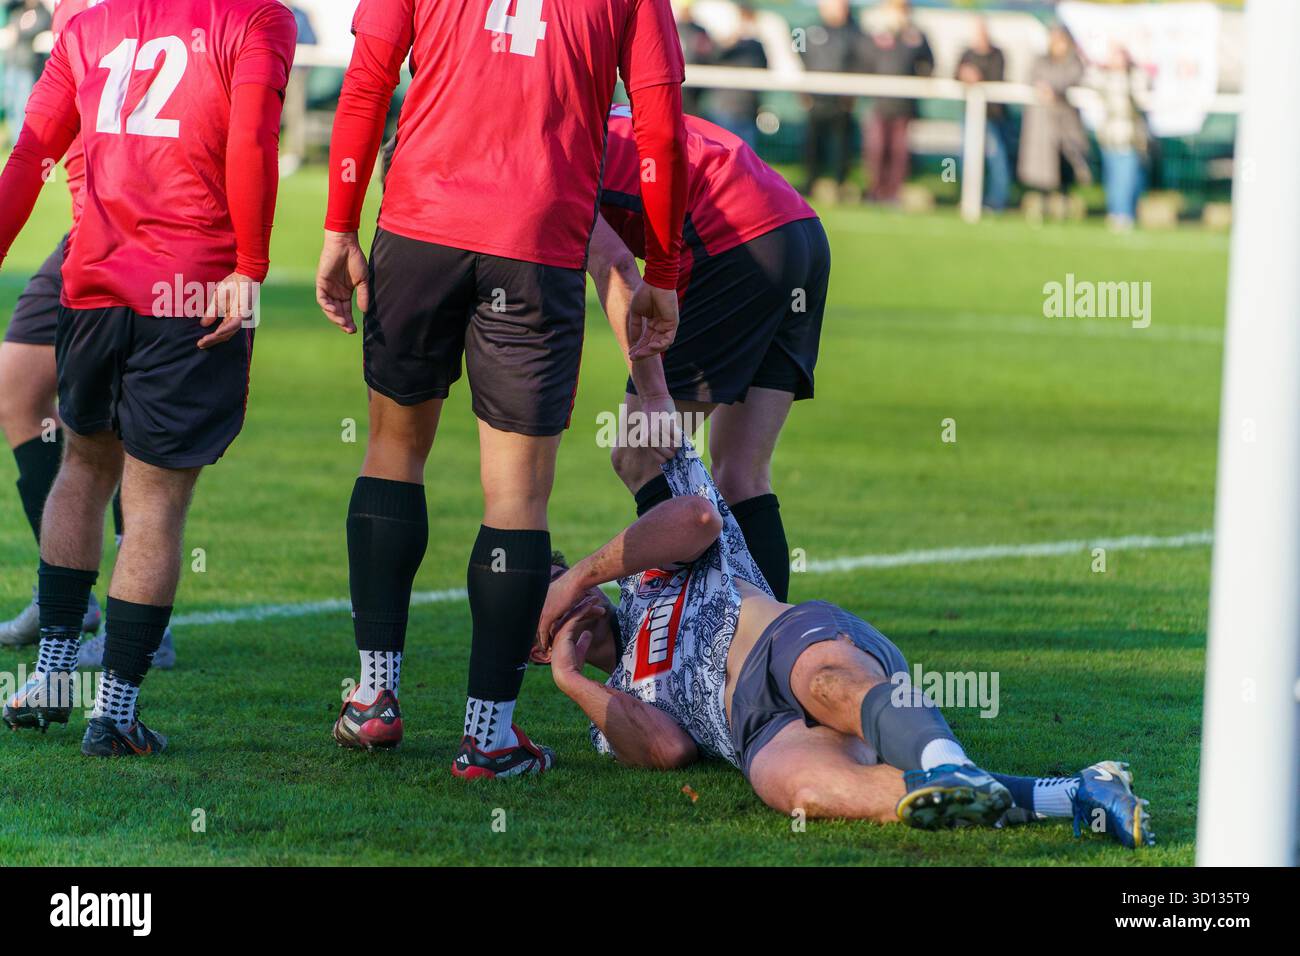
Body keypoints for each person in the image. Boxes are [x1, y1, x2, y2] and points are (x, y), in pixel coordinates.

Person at [316, 0, 689, 778]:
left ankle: (374, 700)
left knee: (389, 453)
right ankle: (487, 737)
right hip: (537, 242)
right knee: (516, 502)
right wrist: (662, 273)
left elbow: (365, 85)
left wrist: (338, 228)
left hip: (419, 228)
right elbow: (659, 129)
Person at [535, 439, 1155, 848]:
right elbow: (668, 749)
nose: (570, 600)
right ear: (540, 646)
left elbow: (699, 517)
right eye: (551, 606)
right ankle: (1076, 792)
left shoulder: (645, 573)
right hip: (756, 734)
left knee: (825, 683)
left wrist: (587, 573)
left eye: (559, 580)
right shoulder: (604, 710)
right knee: (804, 790)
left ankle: (949, 761)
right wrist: (571, 681)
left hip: (784, 640)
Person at [0, 0, 296, 755]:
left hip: (93, 282)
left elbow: (31, 154)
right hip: (191, 288)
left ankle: (53, 673)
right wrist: (252, 267)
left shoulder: (90, 26)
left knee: (82, 465)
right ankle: (116, 714)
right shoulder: (256, 18)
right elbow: (252, 142)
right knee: (155, 501)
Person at [589, 105, 828, 603]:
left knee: (637, 453)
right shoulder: (594, 113)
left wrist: (653, 394)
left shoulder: (548, 150)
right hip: (800, 232)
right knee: (741, 474)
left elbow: (616, 268)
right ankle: (771, 651)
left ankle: (700, 635)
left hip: (739, 241)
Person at [0, 0, 175, 670]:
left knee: (129, 433)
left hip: (159, 230)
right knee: (17, 387)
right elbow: (38, 143)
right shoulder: (69, 10)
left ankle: (146, 631)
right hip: (88, 228)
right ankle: (69, 599)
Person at [1018, 24, 1091, 223]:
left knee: (1066, 165)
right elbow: (1032, 79)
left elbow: (1073, 78)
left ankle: (1064, 206)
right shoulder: (1041, 61)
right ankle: (1040, 206)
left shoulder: (1074, 62)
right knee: (1041, 170)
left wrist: (1055, 91)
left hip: (1066, 125)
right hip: (1043, 124)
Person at [861, 0, 932, 205]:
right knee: (876, 148)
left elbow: (927, 62)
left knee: (899, 151)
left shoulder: (915, 36)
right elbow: (865, 60)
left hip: (904, 105)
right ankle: (875, 191)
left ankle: (893, 193)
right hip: (879, 103)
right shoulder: (876, 34)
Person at [799, 0, 865, 198]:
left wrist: (851, 94)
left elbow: (861, 63)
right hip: (816, 100)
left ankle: (840, 185)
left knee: (842, 146)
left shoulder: (856, 33)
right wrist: (803, 91)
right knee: (812, 145)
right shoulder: (810, 31)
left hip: (841, 102)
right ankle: (810, 183)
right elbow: (800, 61)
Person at [956, 18, 1011, 213]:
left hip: (993, 117)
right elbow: (955, 75)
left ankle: (997, 201)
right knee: (963, 158)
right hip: (970, 117)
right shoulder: (966, 54)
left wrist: (978, 77)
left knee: (997, 159)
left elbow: (997, 79)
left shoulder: (998, 54)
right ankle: (962, 196)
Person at [1092, 43, 1149, 231]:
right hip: (1109, 136)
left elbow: (1142, 98)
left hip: (1128, 136)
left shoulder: (1134, 78)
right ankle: (1115, 212)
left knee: (1127, 178)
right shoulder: (1103, 78)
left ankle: (1125, 214)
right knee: (1113, 178)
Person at [706, 2, 767, 148]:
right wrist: (732, 39)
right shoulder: (725, 45)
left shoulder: (756, 46)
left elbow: (763, 70)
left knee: (746, 157)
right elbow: (714, 57)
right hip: (725, 109)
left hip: (748, 109)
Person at [1, 0, 51, 149]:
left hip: (27, 66)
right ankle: (15, 141)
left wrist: (17, 32)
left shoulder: (42, 12)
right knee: (10, 105)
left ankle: (21, 144)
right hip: (12, 65)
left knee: (22, 107)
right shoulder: (17, 9)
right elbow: (6, 5)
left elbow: (37, 28)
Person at [672, 0, 714, 116]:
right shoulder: (672, 27)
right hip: (676, 86)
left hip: (693, 90)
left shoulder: (699, 31)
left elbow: (708, 56)